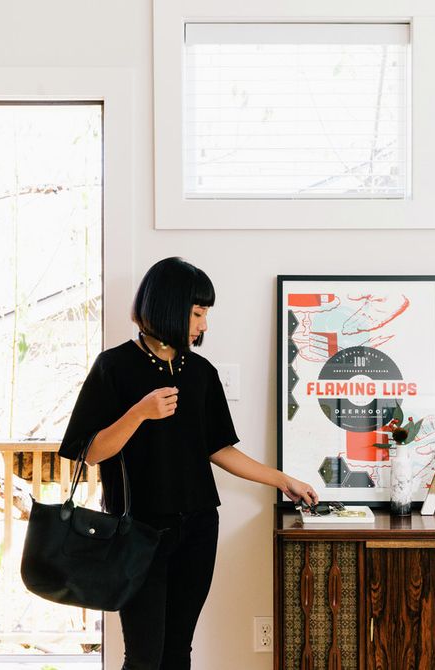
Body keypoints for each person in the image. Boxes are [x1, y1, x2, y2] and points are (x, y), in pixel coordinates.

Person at [58, 256, 318, 670]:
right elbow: (85, 451)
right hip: (137, 531)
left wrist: (282, 480)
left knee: (178, 652)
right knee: (144, 658)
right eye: (198, 313)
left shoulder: (200, 373)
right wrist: (138, 413)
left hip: (197, 528)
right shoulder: (114, 367)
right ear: (168, 307)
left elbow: (219, 449)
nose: (204, 325)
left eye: (206, 314)